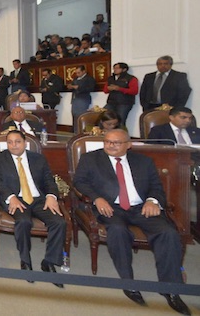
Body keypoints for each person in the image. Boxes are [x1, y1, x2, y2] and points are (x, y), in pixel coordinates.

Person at [73, 129, 190, 314]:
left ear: (128, 144)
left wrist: (153, 200)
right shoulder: (91, 159)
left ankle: (171, 289)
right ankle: (129, 283)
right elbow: (79, 182)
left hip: (141, 207)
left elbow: (156, 187)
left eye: (116, 143)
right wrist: (97, 198)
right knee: (118, 231)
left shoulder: (143, 161)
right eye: (108, 142)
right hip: (111, 207)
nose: (110, 145)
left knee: (168, 233)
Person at [0, 130, 66, 287]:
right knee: (23, 222)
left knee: (59, 222)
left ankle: (49, 262)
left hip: (38, 199)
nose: (13, 145)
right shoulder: (0, 158)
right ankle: (25, 261)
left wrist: (52, 196)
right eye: (10, 142)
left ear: (25, 143)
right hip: (16, 199)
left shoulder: (38, 159)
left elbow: (48, 180)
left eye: (17, 141)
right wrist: (11, 197)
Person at [103, 62, 138, 128]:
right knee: (104, 118)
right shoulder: (111, 78)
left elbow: (134, 91)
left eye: (117, 68)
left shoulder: (131, 78)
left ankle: (121, 136)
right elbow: (105, 90)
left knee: (120, 121)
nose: (115, 70)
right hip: (111, 102)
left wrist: (119, 89)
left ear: (124, 69)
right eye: (114, 68)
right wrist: (109, 88)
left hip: (124, 103)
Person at [67, 66, 95, 134]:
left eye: (79, 72)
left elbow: (91, 88)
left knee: (81, 116)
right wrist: (70, 86)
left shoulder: (89, 78)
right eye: (76, 73)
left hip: (83, 99)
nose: (77, 74)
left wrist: (79, 87)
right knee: (74, 115)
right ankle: (75, 132)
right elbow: (72, 86)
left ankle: (81, 132)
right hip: (75, 99)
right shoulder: (76, 78)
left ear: (84, 71)